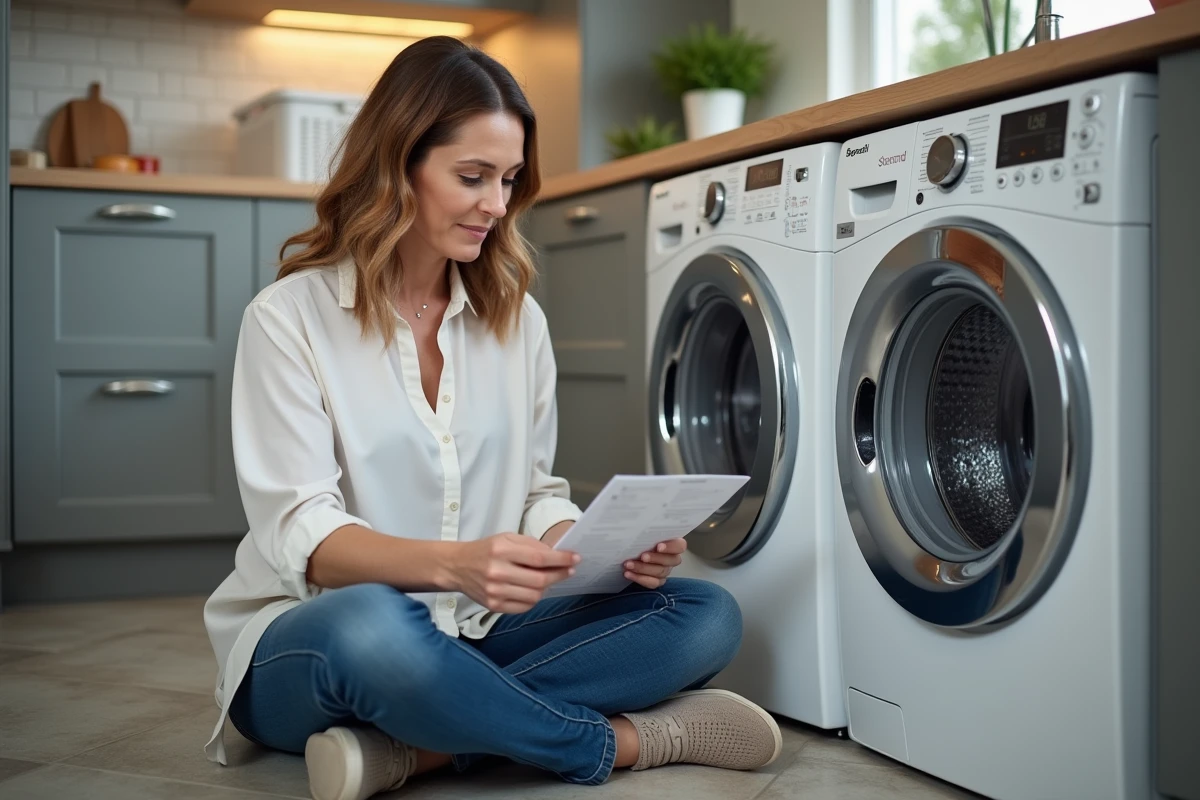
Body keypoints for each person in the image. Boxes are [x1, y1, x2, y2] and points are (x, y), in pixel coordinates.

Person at [202, 36, 781, 800]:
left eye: (508, 180)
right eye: (471, 177)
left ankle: (420, 749)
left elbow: (538, 491)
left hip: (475, 625)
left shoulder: (519, 322)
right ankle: (622, 742)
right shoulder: (288, 319)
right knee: (373, 625)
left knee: (703, 613)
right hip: (312, 640)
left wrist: (587, 550)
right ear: (397, 165)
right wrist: (454, 563)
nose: (498, 205)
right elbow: (301, 539)